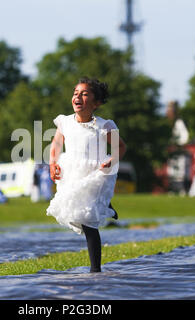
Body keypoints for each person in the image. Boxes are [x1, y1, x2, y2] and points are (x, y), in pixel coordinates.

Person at [46, 77, 127, 273]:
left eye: (84, 94)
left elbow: (120, 147)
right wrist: (52, 163)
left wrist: (113, 160)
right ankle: (106, 206)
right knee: (75, 212)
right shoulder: (65, 122)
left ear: (96, 103)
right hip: (72, 172)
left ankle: (95, 269)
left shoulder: (103, 125)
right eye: (75, 93)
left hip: (97, 173)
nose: (78, 97)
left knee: (89, 222)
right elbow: (56, 145)